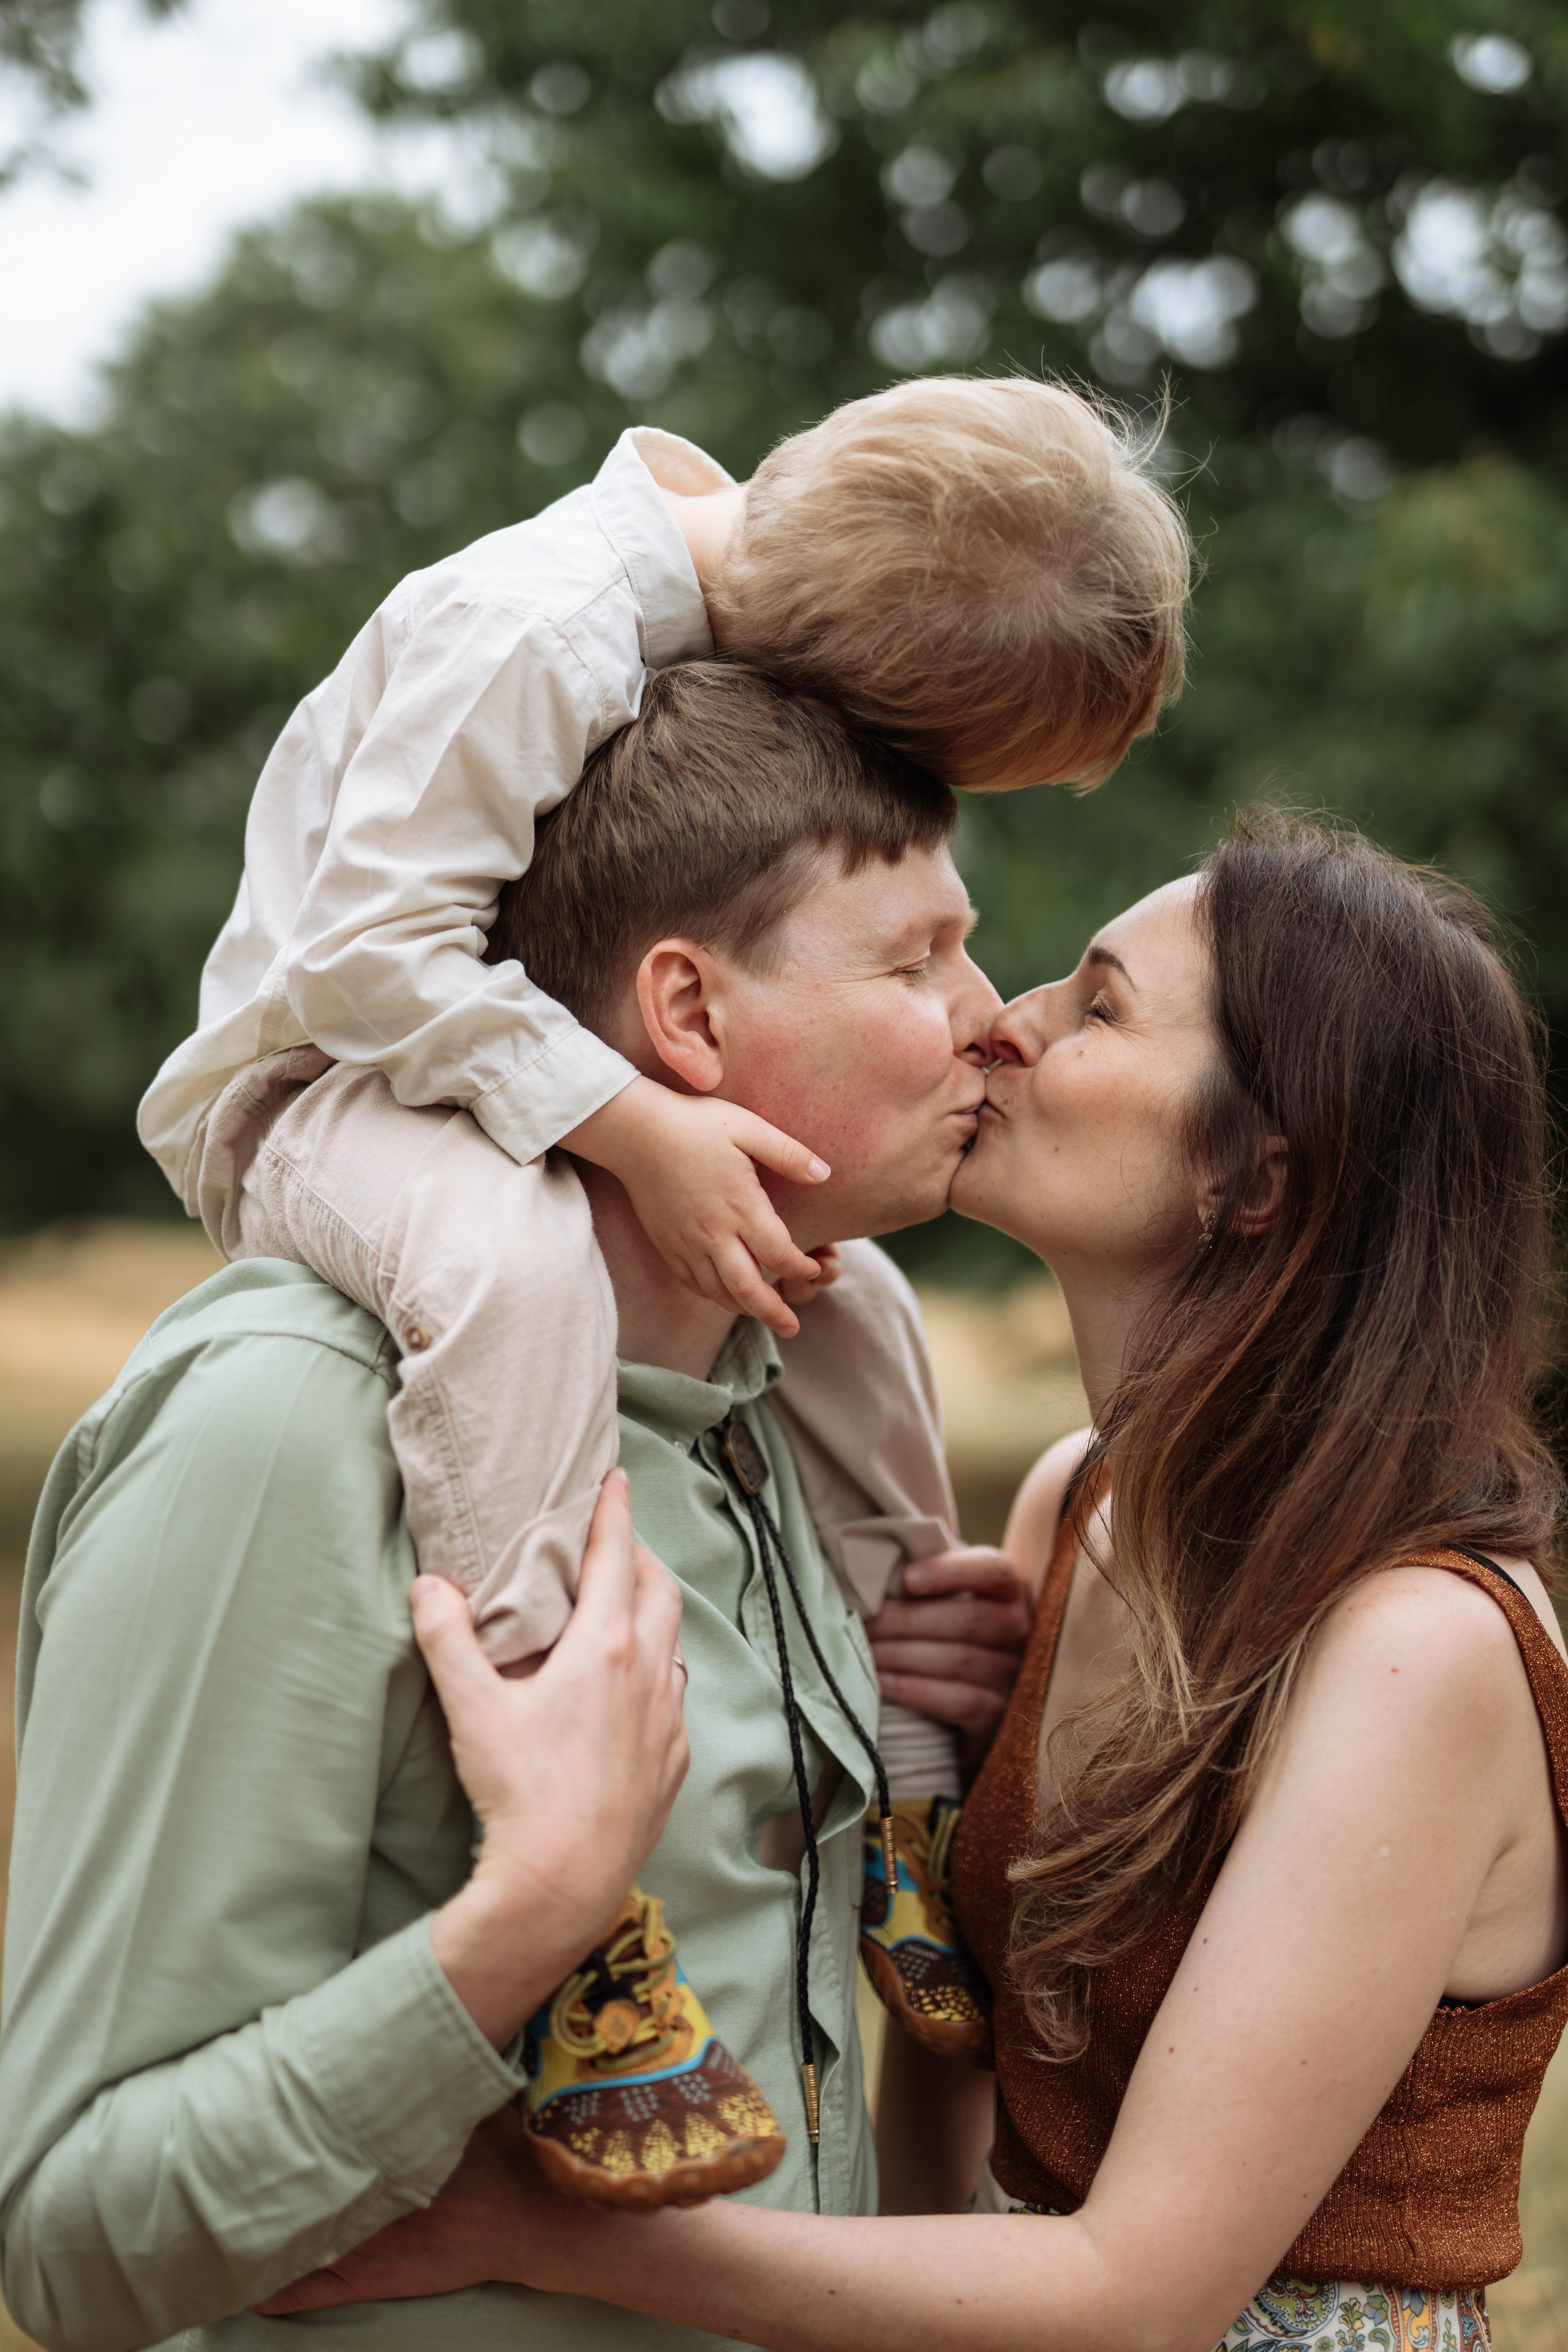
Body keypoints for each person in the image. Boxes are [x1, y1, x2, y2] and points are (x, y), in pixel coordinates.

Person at [267, 816, 1568, 2352]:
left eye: (1094, 1008)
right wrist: (893, 1753)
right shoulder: (1074, 1510)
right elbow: (973, 2052)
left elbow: (1137, 2295)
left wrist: (548, 2233)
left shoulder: (1413, 1648)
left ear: (1253, 1178)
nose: (994, 1026)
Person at [132, 380, 1191, 2192]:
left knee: (848, 1297)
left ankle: (896, 1814)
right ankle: (562, 1834)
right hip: (323, 1088)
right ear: (853, 686)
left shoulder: (720, 610)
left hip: (492, 1067)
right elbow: (358, 955)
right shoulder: (533, 627)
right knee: (520, 1273)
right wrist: (629, 1125)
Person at [0, 665, 1031, 2352]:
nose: (991, 1015)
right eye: (917, 962)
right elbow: (73, 2239)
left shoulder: (789, 1422)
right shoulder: (287, 1424)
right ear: (687, 1015)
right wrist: (532, 1913)